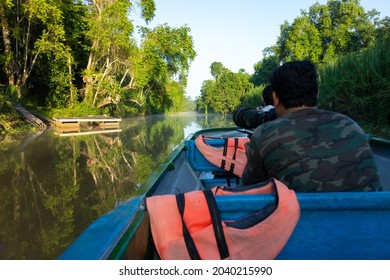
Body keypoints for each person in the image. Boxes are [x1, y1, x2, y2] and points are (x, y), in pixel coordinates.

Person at [241, 60, 382, 192]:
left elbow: (250, 189)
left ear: (275, 98)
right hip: (368, 216)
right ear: (317, 93)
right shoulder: (351, 126)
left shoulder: (264, 134)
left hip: (299, 217)